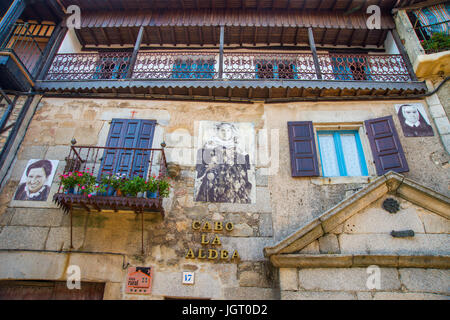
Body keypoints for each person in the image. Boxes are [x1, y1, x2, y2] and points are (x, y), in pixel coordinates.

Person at [195, 122, 252, 203]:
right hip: (213, 181)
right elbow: (200, 166)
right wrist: (209, 166)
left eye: (228, 130)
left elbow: (245, 168)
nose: (225, 133)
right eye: (223, 130)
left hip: (233, 183)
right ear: (218, 131)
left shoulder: (237, 146)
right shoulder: (209, 145)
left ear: (232, 132)